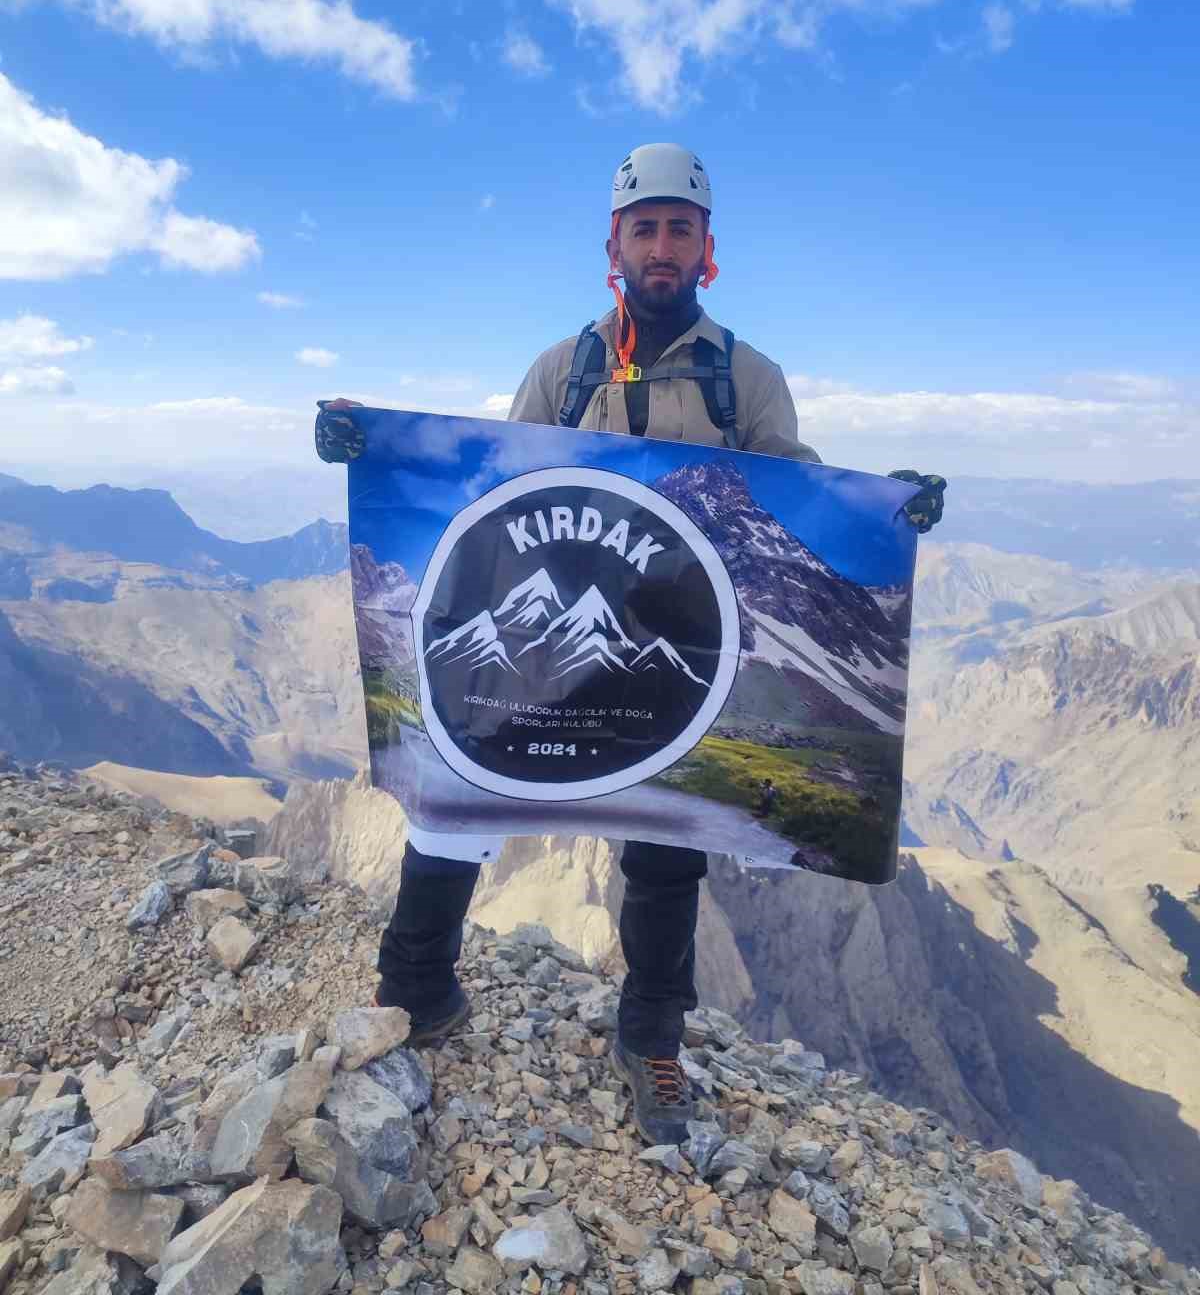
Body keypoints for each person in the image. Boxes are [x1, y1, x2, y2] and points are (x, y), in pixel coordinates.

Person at [316, 141, 946, 1144]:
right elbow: (491, 491)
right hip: (541, 645)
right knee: (457, 796)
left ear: (708, 250)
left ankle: (651, 1035)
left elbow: (796, 503)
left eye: (680, 229)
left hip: (679, 659)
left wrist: (889, 513)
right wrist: (367, 445)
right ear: (614, 244)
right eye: (644, 228)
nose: (663, 246)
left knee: (667, 845)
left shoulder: (749, 380)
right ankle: (415, 993)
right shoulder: (558, 373)